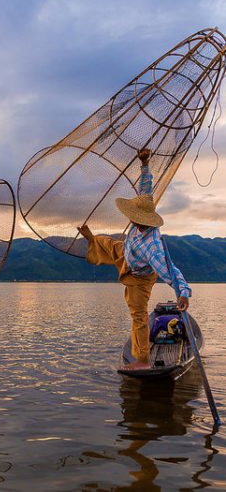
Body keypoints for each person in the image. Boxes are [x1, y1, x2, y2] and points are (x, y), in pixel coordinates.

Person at [78, 148, 191, 371]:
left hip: (139, 274)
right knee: (107, 242)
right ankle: (93, 241)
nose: (132, 219)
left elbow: (169, 270)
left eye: (135, 218)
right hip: (127, 252)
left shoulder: (153, 247)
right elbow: (145, 189)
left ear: (143, 221)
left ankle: (143, 360)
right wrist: (145, 163)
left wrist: (183, 292)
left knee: (138, 315)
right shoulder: (143, 211)